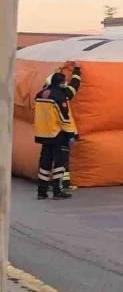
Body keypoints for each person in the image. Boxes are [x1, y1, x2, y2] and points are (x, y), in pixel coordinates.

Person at [33, 63, 81, 199]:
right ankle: (57, 191)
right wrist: (70, 134)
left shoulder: (40, 94)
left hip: (43, 134)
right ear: (62, 83)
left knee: (44, 163)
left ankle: (41, 192)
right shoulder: (60, 96)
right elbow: (63, 118)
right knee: (60, 163)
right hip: (57, 134)